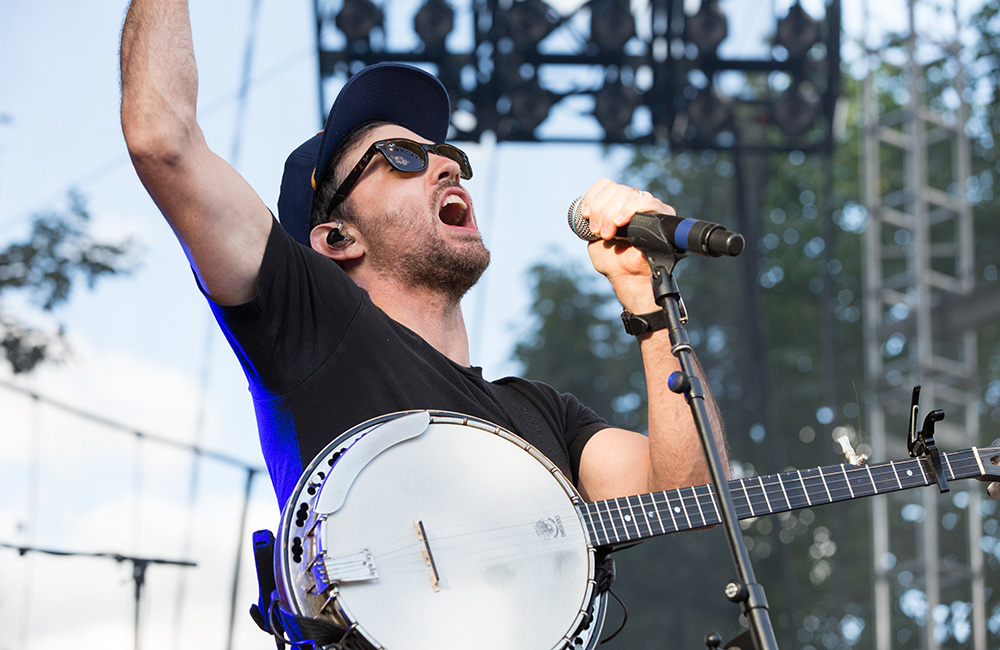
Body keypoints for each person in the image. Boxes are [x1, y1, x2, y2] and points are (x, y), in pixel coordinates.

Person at [120, 0, 726, 528]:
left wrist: (646, 298)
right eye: (402, 157)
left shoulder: (543, 415)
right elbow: (162, 138)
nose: (447, 165)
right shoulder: (310, 320)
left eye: (448, 153)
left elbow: (691, 498)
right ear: (336, 238)